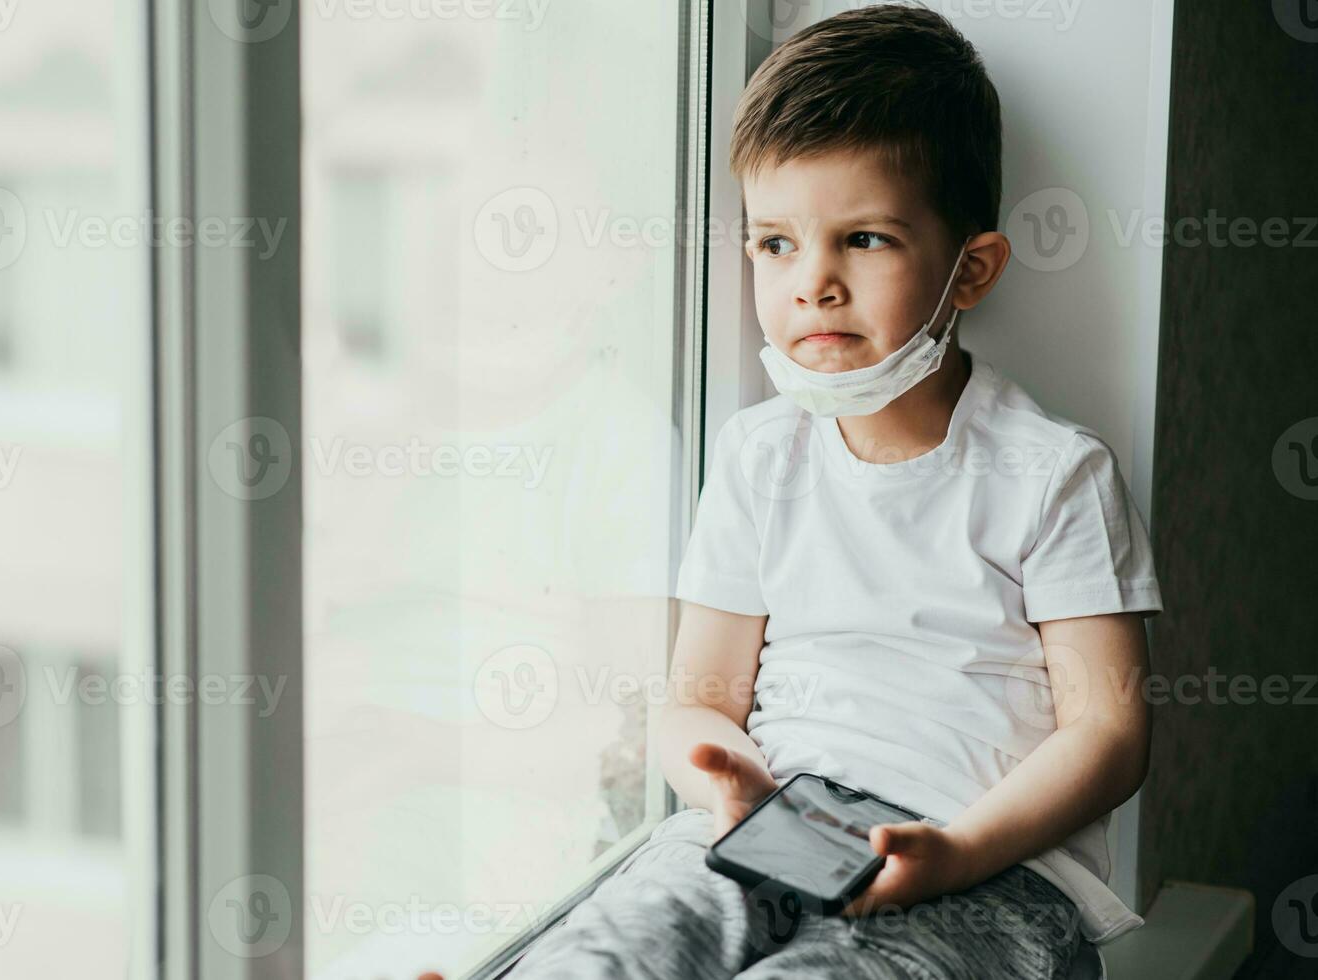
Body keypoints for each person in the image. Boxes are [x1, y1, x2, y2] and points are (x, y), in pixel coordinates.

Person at [423, 4, 1161, 977]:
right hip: (770, 819)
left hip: (992, 867)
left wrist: (961, 850)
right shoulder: (757, 456)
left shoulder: (1052, 471)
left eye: (863, 239)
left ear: (969, 269)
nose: (811, 283)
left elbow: (1108, 731)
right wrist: (720, 774)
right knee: (623, 939)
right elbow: (695, 698)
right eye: (775, 243)